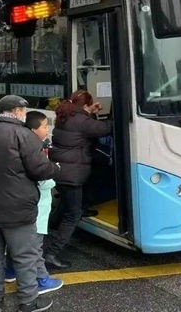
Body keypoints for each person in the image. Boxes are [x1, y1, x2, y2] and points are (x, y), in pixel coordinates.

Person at [0, 95, 61, 312]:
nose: (25, 115)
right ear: (17, 111)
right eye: (24, 111)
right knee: (24, 257)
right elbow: (39, 169)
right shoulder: (24, 135)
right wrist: (55, 168)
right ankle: (28, 303)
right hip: (18, 210)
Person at [45, 90, 112, 269]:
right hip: (71, 175)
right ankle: (51, 253)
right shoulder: (82, 120)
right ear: (85, 105)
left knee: (70, 202)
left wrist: (90, 112)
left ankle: (57, 222)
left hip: (60, 170)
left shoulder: (66, 115)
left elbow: (87, 127)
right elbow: (105, 128)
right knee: (72, 216)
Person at [4, 111, 63, 296]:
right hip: (35, 208)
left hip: (19, 206)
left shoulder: (17, 146)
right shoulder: (33, 151)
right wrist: (54, 171)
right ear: (33, 130)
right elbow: (43, 180)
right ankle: (41, 280)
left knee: (18, 242)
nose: (48, 130)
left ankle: (10, 271)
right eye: (45, 126)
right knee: (33, 247)